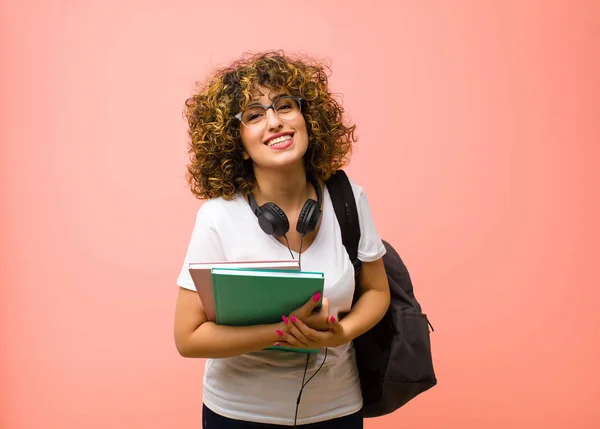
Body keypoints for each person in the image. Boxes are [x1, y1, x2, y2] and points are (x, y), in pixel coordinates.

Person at [174, 50, 390, 428]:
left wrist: (340, 335)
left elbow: (377, 291)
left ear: (307, 118)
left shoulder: (348, 198)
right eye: (255, 115)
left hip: (337, 410)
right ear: (237, 142)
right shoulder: (217, 218)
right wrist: (283, 334)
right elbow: (188, 337)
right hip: (239, 415)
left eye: (284, 106)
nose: (274, 122)